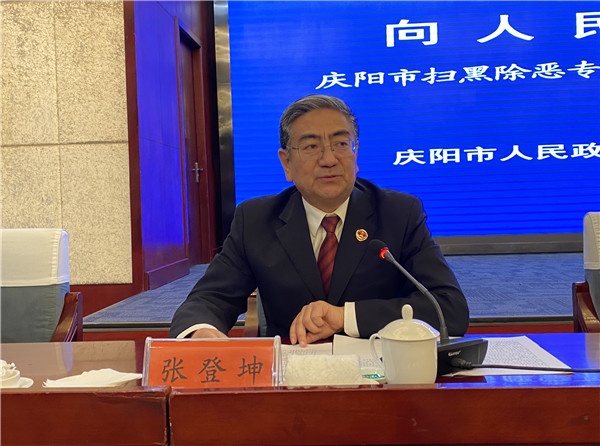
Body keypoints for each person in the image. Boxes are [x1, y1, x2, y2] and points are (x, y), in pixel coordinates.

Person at [169, 94, 469, 346]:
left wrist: (345, 316)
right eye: (311, 147)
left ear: (356, 154)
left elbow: (449, 308)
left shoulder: (399, 212)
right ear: (287, 163)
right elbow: (209, 299)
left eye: (341, 144)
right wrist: (200, 331)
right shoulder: (256, 220)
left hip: (380, 374)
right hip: (292, 375)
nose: (329, 159)